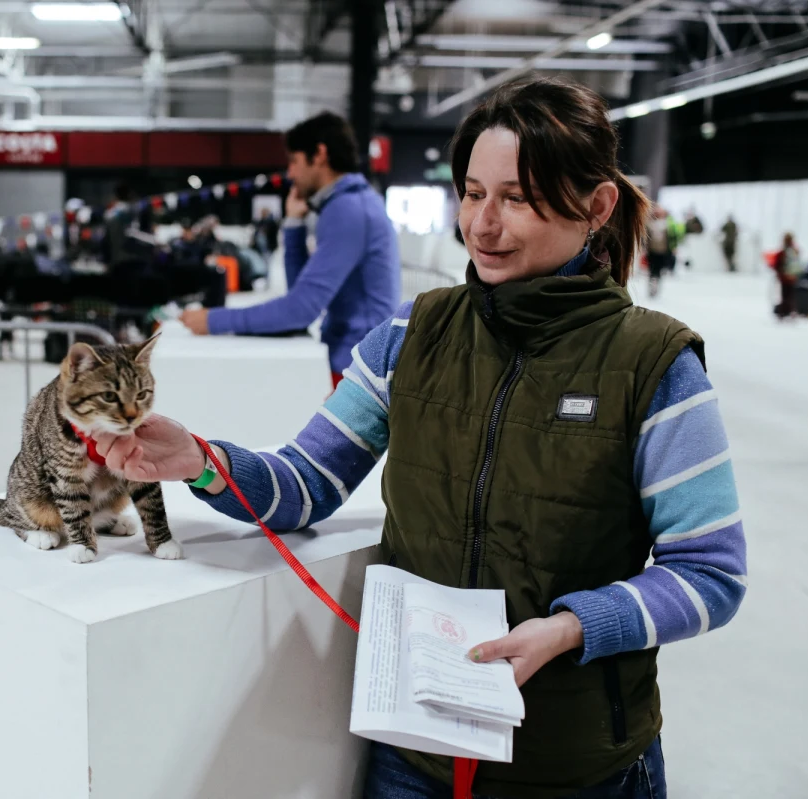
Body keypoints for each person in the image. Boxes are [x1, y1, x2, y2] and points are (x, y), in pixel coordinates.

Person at [95, 78, 746, 798]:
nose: (484, 224)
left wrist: (570, 628)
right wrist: (203, 460)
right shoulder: (409, 337)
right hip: (418, 755)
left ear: (596, 207)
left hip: (578, 767)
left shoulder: (653, 365)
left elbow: (711, 573)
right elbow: (307, 480)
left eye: (518, 198)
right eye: (472, 193)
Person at [180, 112, 400, 387]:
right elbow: (301, 294)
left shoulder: (350, 209)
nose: (290, 173)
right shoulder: (346, 205)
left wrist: (214, 320)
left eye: (294, 160)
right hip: (352, 364)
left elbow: (299, 311)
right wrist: (294, 224)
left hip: (360, 375)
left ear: (319, 154)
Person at [645, 205, 673, 296]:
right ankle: (652, 286)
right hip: (652, 251)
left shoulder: (668, 224)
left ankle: (656, 286)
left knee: (659, 270)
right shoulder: (650, 224)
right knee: (652, 270)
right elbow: (646, 238)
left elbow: (670, 239)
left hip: (663, 251)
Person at [774, 232, 803, 319]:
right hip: (792, 278)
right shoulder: (794, 251)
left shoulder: (783, 252)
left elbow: (777, 264)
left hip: (784, 278)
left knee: (784, 295)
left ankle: (783, 313)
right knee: (791, 295)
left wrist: (779, 273)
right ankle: (790, 311)